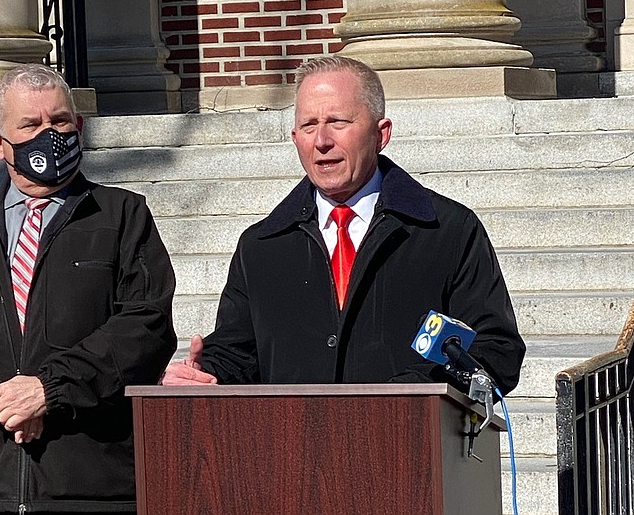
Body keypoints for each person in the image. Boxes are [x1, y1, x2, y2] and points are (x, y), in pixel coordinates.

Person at [0, 64, 177, 514]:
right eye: (31, 124)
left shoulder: (122, 215)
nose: (51, 134)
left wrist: (49, 389)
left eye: (60, 121)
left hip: (92, 489)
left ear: (79, 126)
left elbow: (147, 326)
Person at [163, 55, 525, 394]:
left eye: (338, 122)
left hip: (412, 447)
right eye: (308, 125)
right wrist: (208, 373)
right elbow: (239, 354)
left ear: (381, 133)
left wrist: (408, 394)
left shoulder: (447, 231)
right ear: (295, 139)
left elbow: (495, 350)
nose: (321, 141)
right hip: (293, 450)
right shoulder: (261, 246)